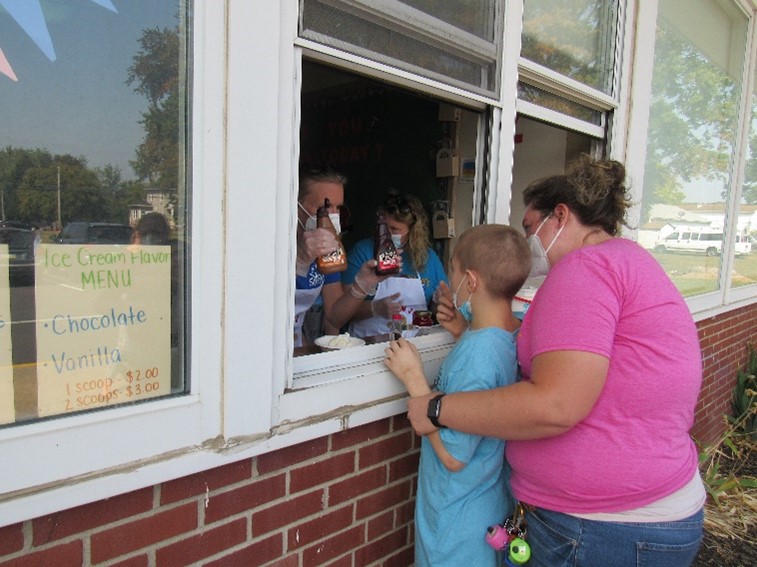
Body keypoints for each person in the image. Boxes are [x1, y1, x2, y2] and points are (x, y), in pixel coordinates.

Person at [405, 155, 705, 566]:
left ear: (560, 216)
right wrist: (464, 331)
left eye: (530, 228)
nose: (528, 243)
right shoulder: (628, 260)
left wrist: (435, 407)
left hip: (601, 528)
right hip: (639, 512)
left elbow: (556, 405)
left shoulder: (585, 269)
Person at [384, 224, 531, 567]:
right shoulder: (514, 331)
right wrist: (462, 330)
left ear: (473, 281)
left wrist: (414, 379)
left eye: (453, 270)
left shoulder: (477, 355)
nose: (449, 282)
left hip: (456, 523)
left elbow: (453, 456)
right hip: (489, 506)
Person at [295, 164, 396, 347]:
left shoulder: (329, 249)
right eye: (324, 206)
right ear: (296, 206)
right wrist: (299, 262)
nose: (332, 215)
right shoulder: (274, 244)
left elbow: (334, 316)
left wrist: (362, 285)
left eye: (338, 208)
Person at [342, 192, 447, 338]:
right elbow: (341, 313)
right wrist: (375, 308)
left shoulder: (428, 258)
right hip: (368, 344)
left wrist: (439, 302)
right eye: (384, 227)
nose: (386, 233)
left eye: (394, 229)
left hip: (416, 344)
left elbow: (438, 310)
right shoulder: (362, 252)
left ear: (413, 231)